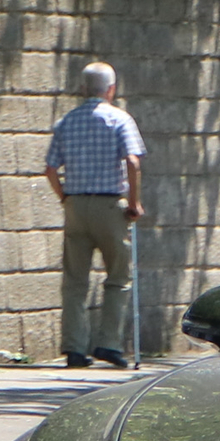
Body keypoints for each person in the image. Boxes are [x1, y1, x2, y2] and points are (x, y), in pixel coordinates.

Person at [43, 61, 144, 368]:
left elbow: (50, 168)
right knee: (118, 276)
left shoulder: (66, 122)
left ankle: (74, 349)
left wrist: (65, 198)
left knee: (75, 280)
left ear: (83, 88)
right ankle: (109, 344)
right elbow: (133, 162)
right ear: (111, 89)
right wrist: (134, 203)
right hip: (109, 205)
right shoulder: (119, 120)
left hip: (75, 205)